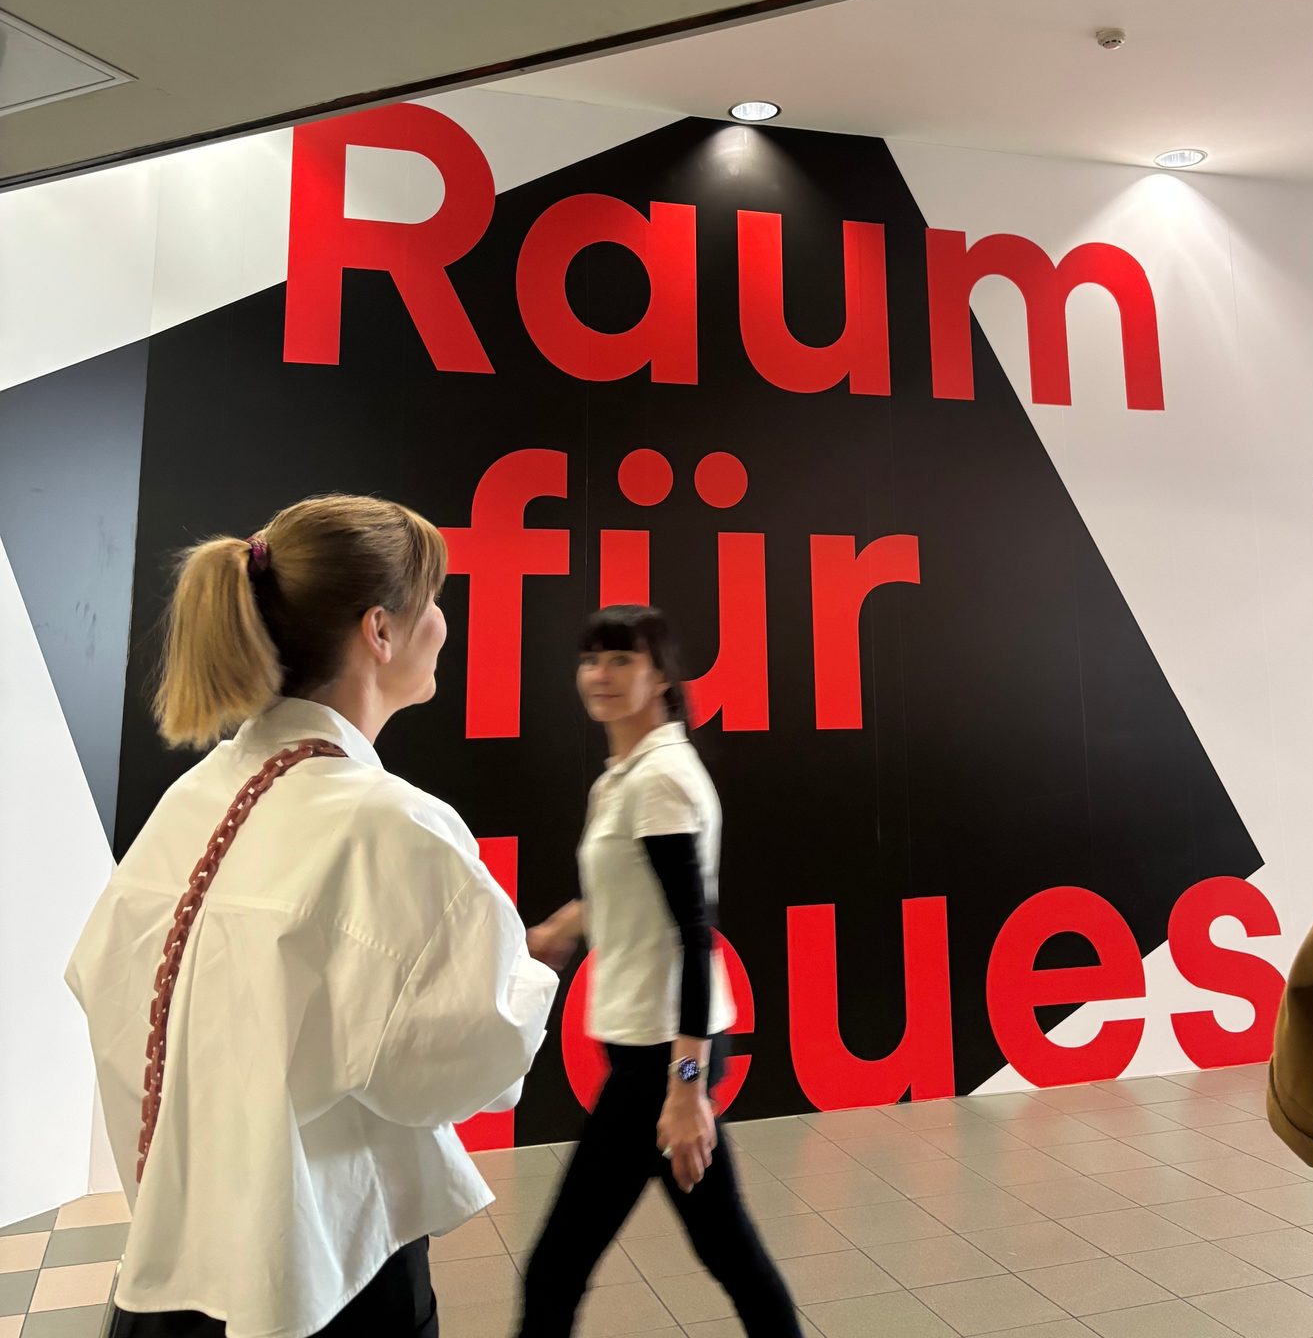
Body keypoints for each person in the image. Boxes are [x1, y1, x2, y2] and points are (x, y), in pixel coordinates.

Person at [67, 493, 557, 1338]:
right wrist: (527, 968)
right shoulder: (388, 824)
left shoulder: (195, 799)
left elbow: (103, 981)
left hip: (164, 1280)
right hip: (323, 1281)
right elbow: (479, 1059)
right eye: (432, 601)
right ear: (380, 631)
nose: (444, 623)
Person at [517, 605, 801, 1337]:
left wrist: (685, 1090)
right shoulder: (625, 776)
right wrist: (563, 927)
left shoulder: (658, 781)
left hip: (661, 1059)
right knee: (727, 1249)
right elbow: (635, 886)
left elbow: (692, 935)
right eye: (590, 659)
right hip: (655, 1051)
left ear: (662, 676)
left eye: (621, 659)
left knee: (555, 1268)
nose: (600, 676)